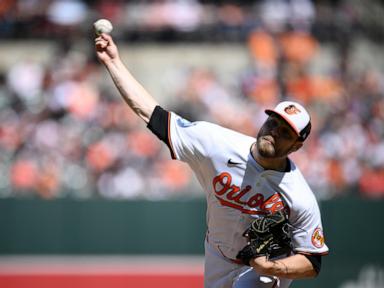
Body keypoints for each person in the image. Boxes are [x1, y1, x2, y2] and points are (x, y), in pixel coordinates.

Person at [95, 33, 329, 288]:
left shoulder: (299, 196)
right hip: (218, 255)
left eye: (285, 132)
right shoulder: (216, 144)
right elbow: (153, 115)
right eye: (273, 122)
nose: (274, 131)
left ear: (297, 146)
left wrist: (272, 266)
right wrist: (113, 62)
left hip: (265, 268)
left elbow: (312, 262)